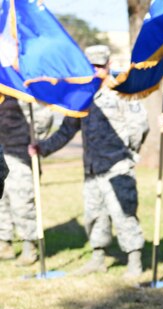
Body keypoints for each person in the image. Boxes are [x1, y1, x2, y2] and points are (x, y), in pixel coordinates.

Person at [29, 45, 149, 279]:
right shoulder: (81, 96)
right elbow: (66, 130)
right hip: (92, 169)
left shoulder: (120, 91)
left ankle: (134, 260)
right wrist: (42, 148)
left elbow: (139, 126)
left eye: (99, 66)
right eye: (90, 66)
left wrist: (129, 152)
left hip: (117, 166)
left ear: (108, 65)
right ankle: (98, 258)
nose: (95, 71)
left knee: (124, 213)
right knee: (94, 215)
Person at [0, 96, 53, 266]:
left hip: (20, 155)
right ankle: (4, 243)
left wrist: (34, 139)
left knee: (22, 202)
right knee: (2, 203)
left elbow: (44, 117)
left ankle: (29, 245)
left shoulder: (20, 91)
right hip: (2, 151)